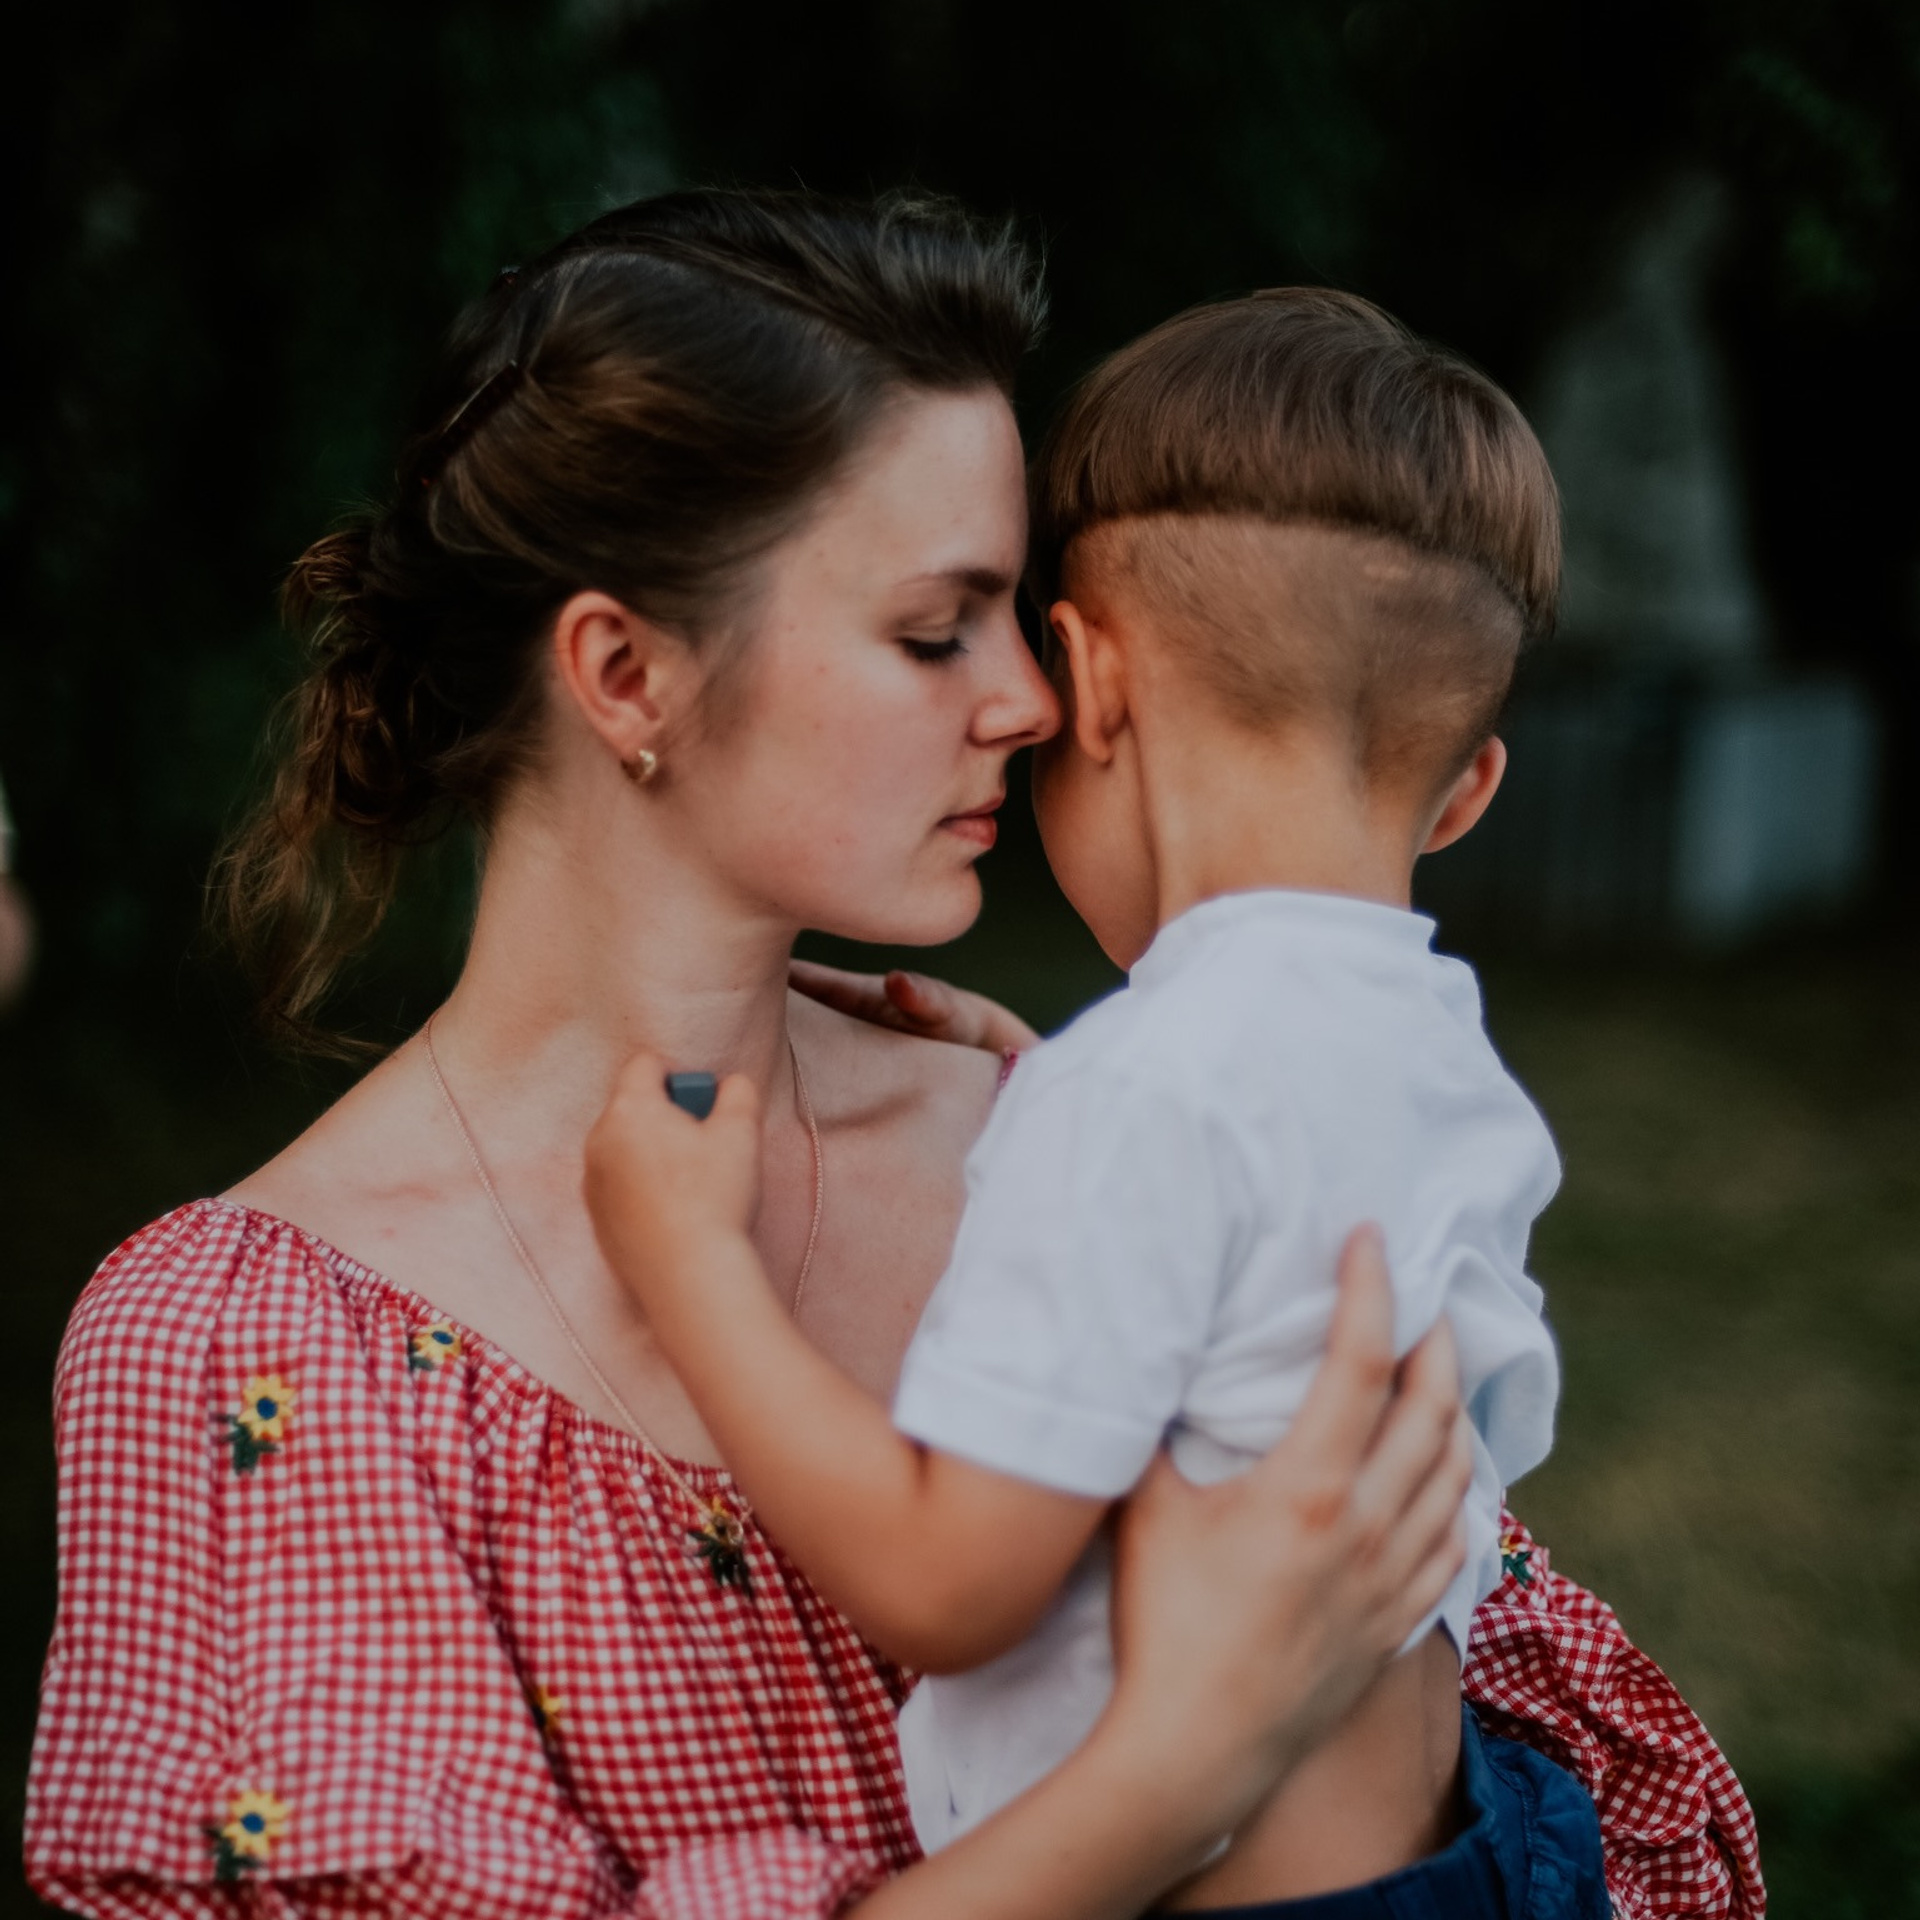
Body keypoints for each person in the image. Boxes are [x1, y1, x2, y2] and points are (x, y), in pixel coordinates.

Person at [27, 188, 1760, 1920]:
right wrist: (1179, 1769)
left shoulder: (1082, 1115)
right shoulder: (245, 1351)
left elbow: (1534, 1728)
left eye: (1024, 620)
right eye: (939, 630)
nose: (1032, 699)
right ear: (625, 674)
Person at [584, 289, 1595, 1916]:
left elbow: (946, 1584)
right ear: (1469, 786)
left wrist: (691, 1259)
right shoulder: (1456, 1070)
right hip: (1488, 1847)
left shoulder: (1143, 1093)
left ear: (1088, 683)